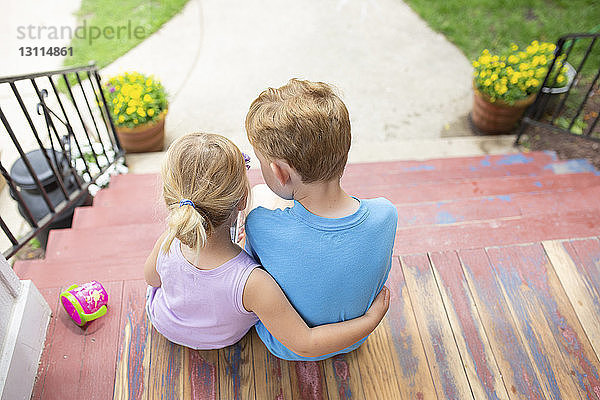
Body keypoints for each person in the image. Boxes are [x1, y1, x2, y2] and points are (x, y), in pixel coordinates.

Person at [144, 132, 389, 356]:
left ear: (172, 200)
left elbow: (152, 280)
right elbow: (305, 341)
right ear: (242, 201)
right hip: (222, 339)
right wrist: (369, 320)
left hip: (164, 323)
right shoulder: (253, 281)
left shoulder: (167, 241)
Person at [244, 79, 398, 361]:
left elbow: (253, 273)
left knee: (259, 195)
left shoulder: (259, 225)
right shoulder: (386, 214)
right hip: (355, 339)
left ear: (280, 172)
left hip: (285, 346)